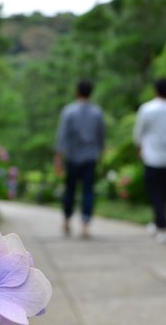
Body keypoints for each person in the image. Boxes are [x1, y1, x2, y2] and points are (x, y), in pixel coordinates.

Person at [133, 78, 166, 243]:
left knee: (155, 193)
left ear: (155, 90)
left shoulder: (147, 109)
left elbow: (138, 133)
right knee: (163, 193)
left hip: (151, 157)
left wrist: (139, 148)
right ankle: (157, 224)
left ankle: (165, 227)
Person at [54, 79, 105, 238]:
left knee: (70, 189)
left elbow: (62, 136)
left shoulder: (69, 111)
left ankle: (67, 220)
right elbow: (101, 136)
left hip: (72, 157)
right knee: (88, 191)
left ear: (77, 92)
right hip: (90, 157)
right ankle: (85, 224)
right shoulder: (97, 112)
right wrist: (100, 154)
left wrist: (58, 157)